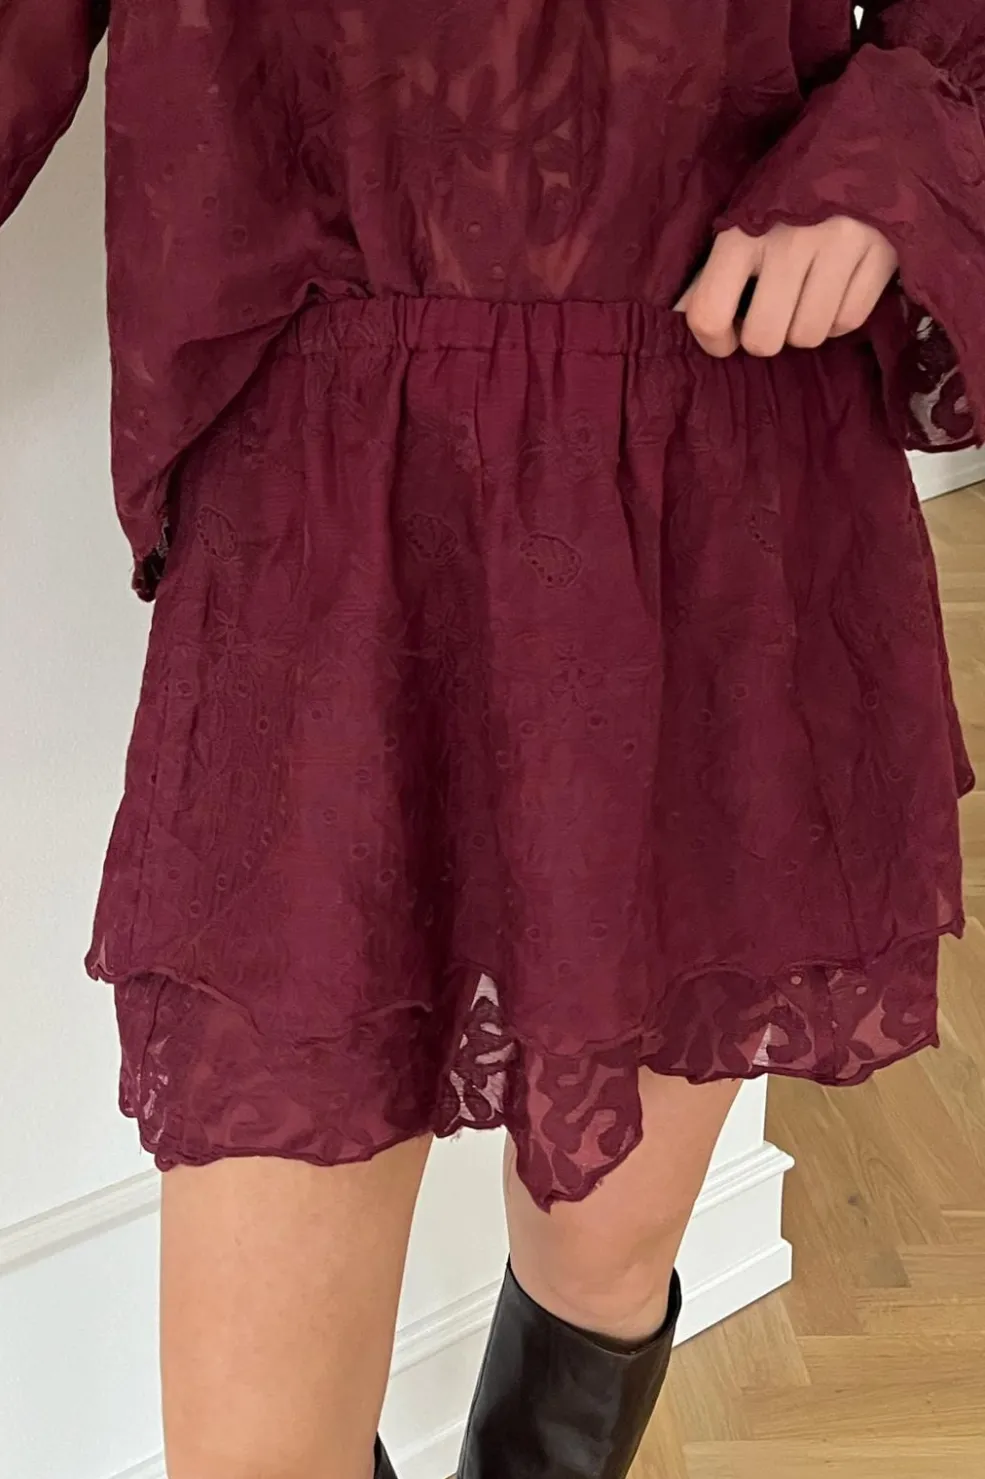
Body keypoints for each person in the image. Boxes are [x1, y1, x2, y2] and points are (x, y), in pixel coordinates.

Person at [2, 2, 982, 1476]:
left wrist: (893, 144)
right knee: (258, 1440)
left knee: (600, 1270)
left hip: (715, 458)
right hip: (332, 516)